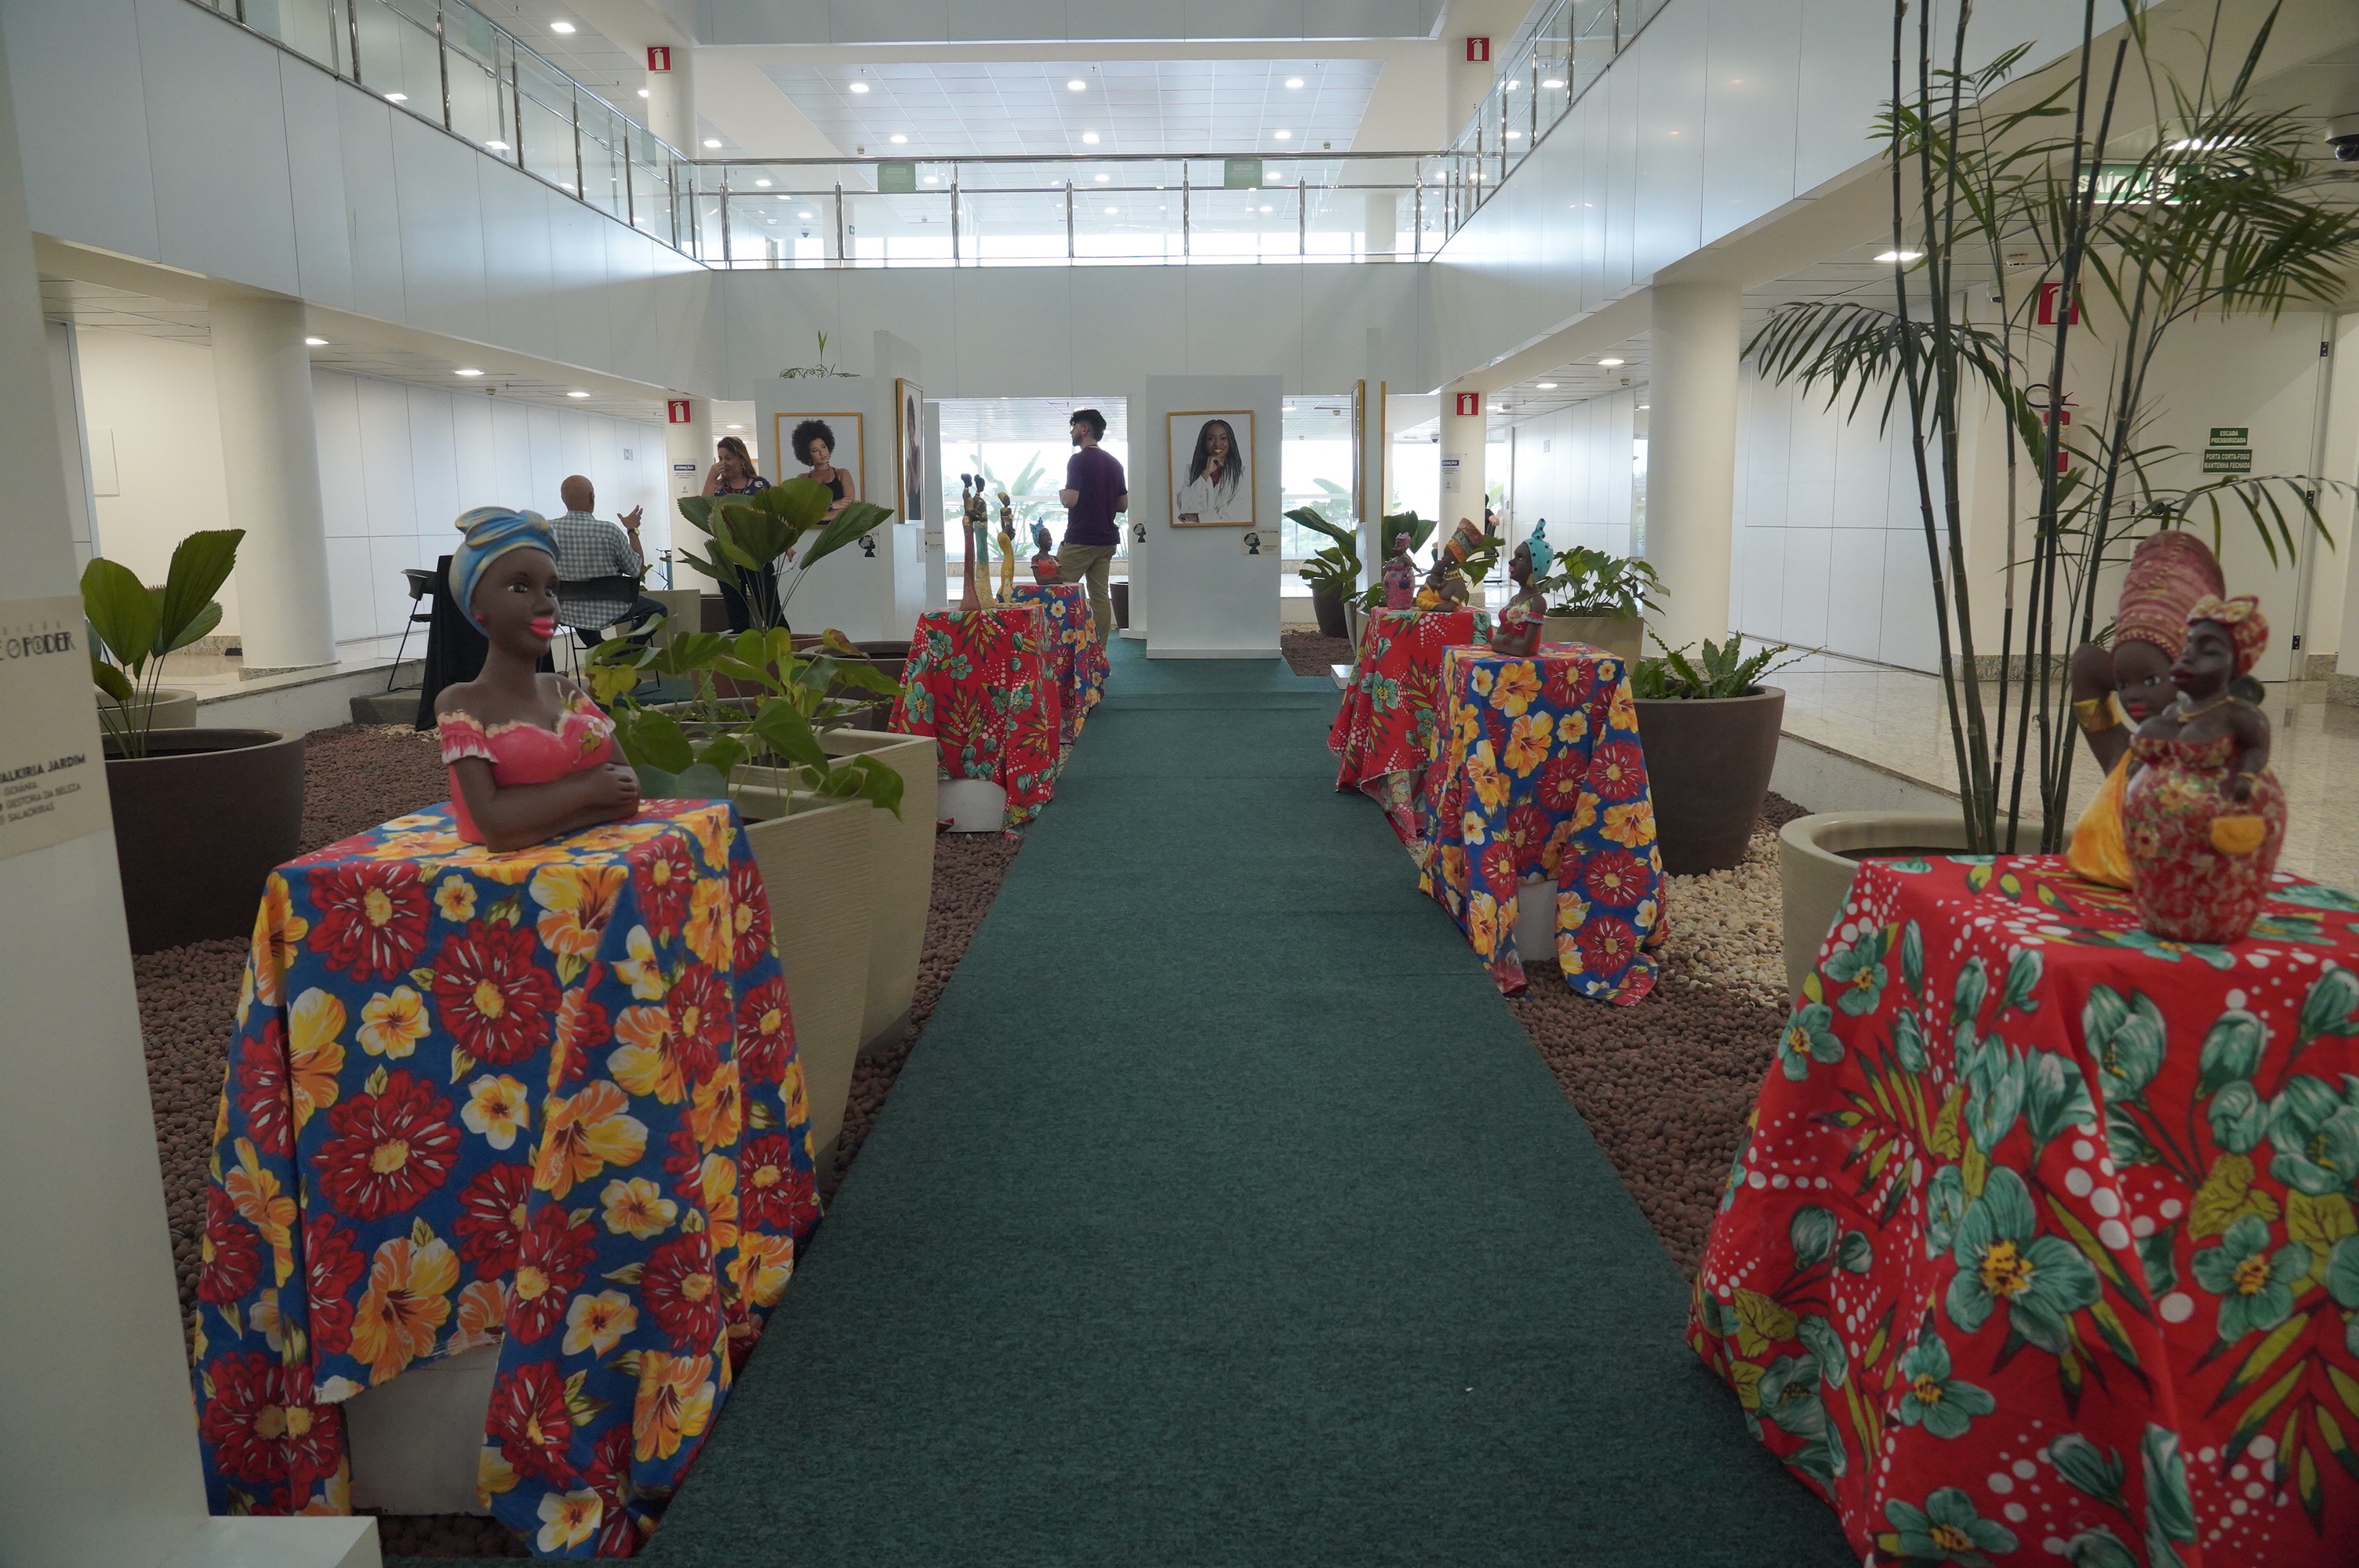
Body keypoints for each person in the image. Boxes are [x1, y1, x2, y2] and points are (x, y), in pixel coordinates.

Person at [434, 507, 640, 850]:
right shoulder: (461, 703)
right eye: (520, 587)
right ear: (476, 604)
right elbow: (496, 828)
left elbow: (629, 792)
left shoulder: (564, 690)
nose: (546, 605)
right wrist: (588, 790)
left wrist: (534, 819)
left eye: (551, 590)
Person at [2065, 530, 2224, 888]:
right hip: (2090, 897)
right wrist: (2136, 670)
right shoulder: (2124, 755)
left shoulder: (2201, 758)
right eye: (2123, 685)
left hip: (2169, 905)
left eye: (2150, 682)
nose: (2132, 697)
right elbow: (2085, 662)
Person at [550, 474, 662, 644]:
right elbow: (636, 569)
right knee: (659, 611)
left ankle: (599, 652)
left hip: (566, 610)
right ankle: (621, 653)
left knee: (580, 610)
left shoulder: (547, 531)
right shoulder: (609, 531)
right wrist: (632, 530)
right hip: (611, 609)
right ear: (592, 496)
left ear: (562, 498)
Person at [1056, 408, 1128, 639]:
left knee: (1056, 590)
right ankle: (1099, 653)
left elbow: (1070, 500)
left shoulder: (1078, 461)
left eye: (1074, 427)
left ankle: (1058, 649)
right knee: (1099, 596)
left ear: (1085, 429)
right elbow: (1123, 505)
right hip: (1106, 541)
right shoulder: (1115, 464)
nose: (1072, 432)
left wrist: (1061, 494)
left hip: (1080, 540)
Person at [701, 434, 778, 631]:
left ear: (741, 459)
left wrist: (784, 544)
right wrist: (711, 478)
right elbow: (703, 510)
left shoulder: (759, 485)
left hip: (757, 556)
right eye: (720, 458)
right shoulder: (718, 488)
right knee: (736, 614)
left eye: (728, 458)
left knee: (772, 611)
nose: (724, 463)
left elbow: (774, 517)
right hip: (727, 559)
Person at [1173, 417, 1247, 524]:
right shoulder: (1190, 470)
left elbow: (1238, 511)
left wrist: (1199, 517)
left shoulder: (1242, 473)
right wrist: (1206, 473)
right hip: (1193, 532)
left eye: (1223, 438)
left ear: (1230, 441)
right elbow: (1184, 507)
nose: (1217, 444)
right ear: (1204, 442)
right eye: (1210, 439)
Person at [783, 421, 855, 519]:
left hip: (839, 527)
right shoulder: (803, 478)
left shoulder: (842, 474)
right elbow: (800, 509)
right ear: (807, 455)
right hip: (810, 528)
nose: (822, 453)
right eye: (815, 450)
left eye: (823, 447)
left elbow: (849, 508)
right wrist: (831, 505)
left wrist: (817, 516)